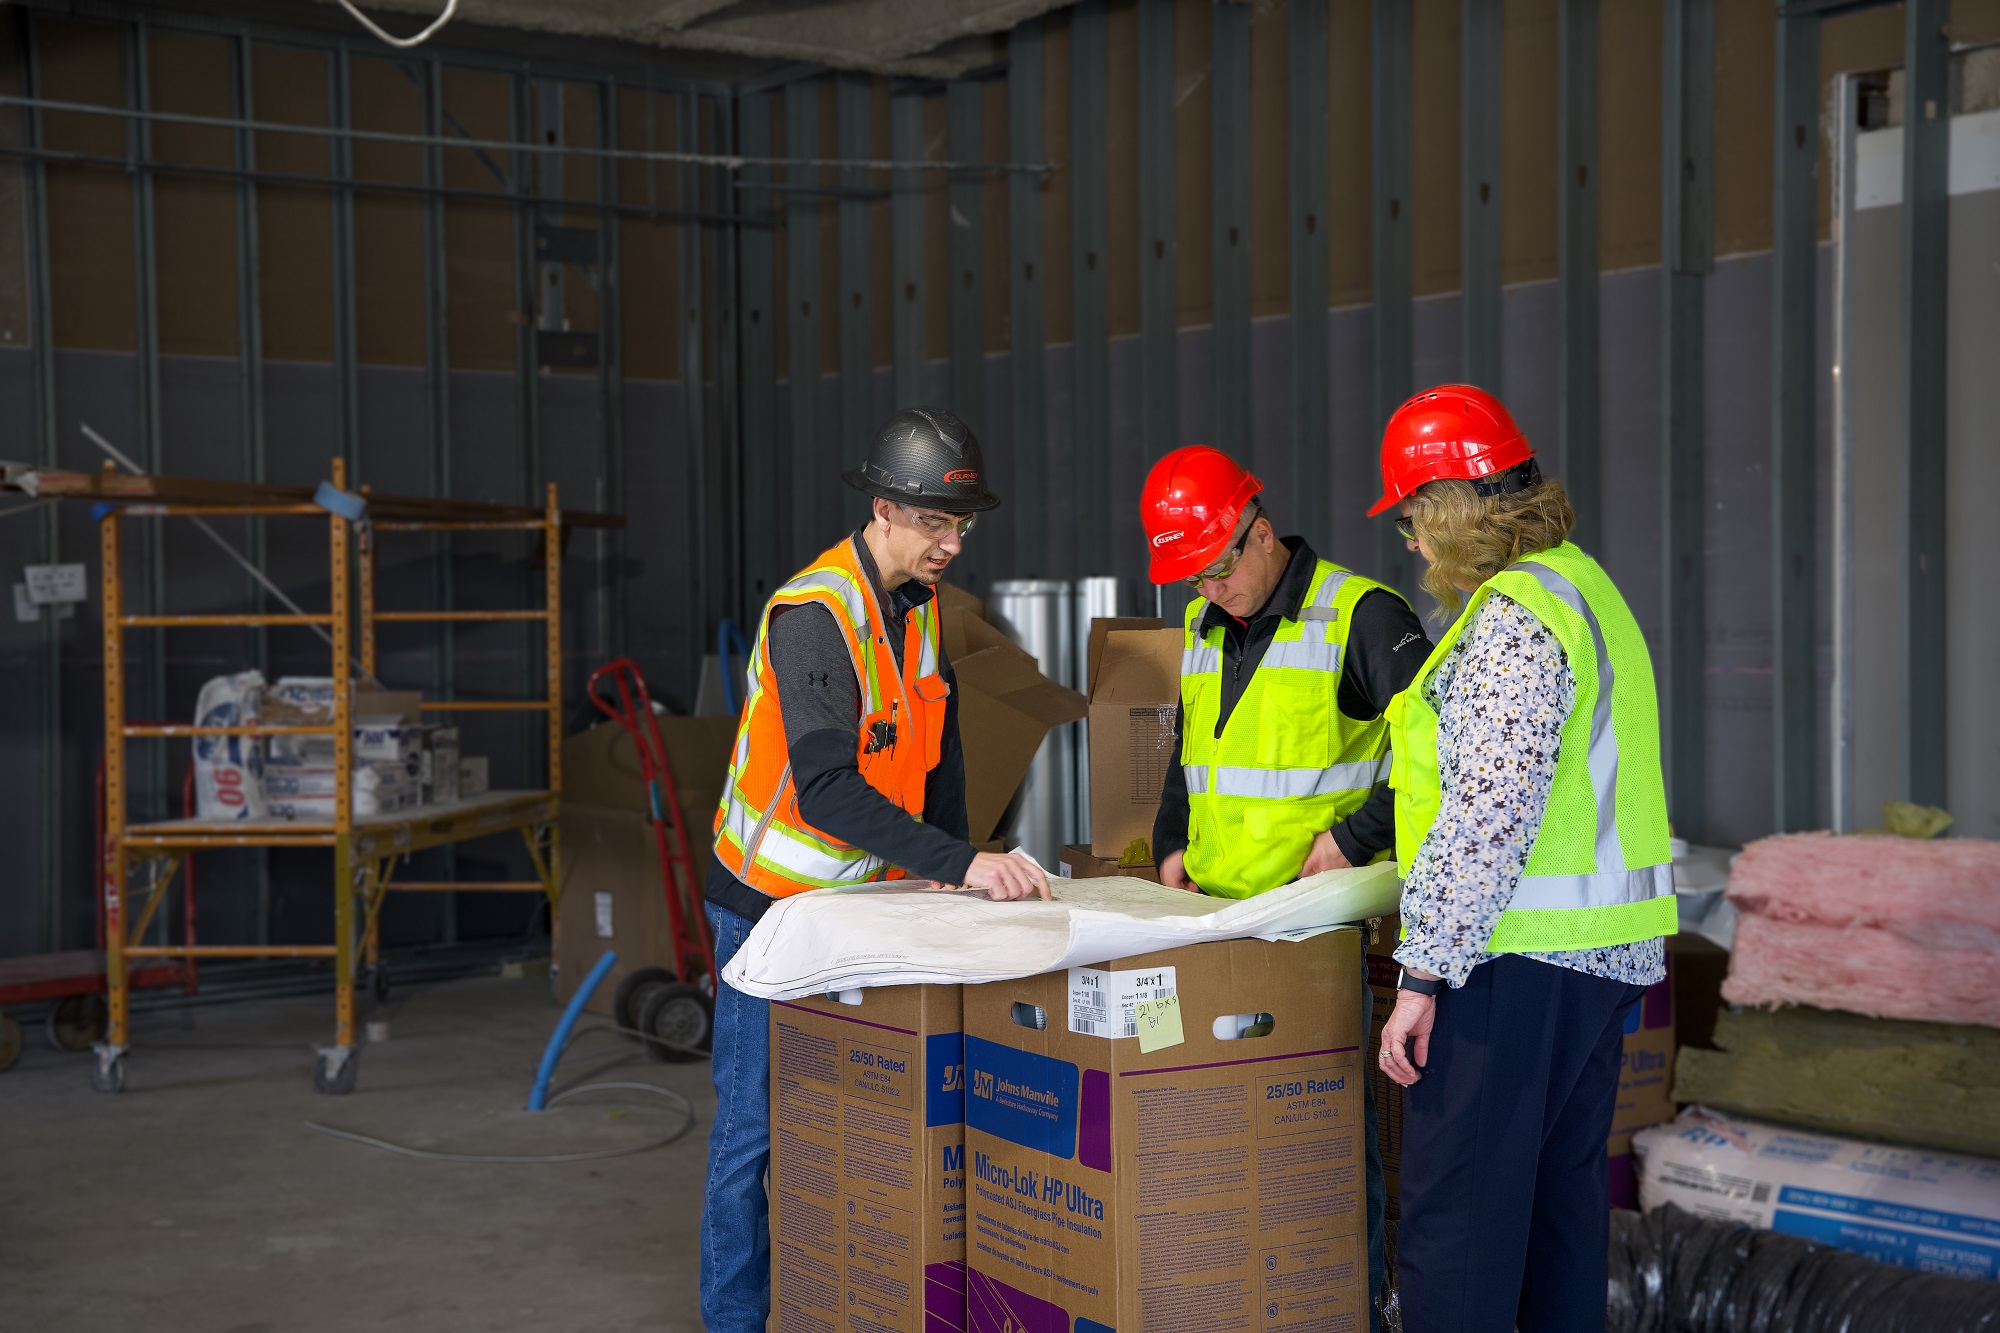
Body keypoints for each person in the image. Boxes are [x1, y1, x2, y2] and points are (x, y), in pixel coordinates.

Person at [700, 406, 1050, 1333]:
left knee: (849, 1117)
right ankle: (736, 1320)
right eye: (936, 521)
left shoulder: (920, 606)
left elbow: (937, 749)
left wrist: (948, 854)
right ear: (885, 510)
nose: (950, 542)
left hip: (859, 905)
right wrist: (962, 862)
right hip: (765, 906)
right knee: (752, 1132)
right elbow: (823, 789)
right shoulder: (816, 616)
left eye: (961, 524)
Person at [1370, 385, 1675, 1333]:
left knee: (1456, 1226)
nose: (1410, 543)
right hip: (1603, 959)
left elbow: (1489, 809)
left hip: (1519, 963)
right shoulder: (1587, 585)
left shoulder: (1512, 617)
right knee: (1558, 1218)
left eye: (1414, 517)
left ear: (1456, 510)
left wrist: (1424, 970)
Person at [1140, 445, 1433, 1333]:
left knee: (1327, 1148)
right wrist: (1168, 843)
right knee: (1213, 1143)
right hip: (1212, 923)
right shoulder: (1202, 624)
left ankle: (1350, 1313)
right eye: (1193, 577)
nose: (1210, 590)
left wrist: (1353, 838)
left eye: (1220, 569)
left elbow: (1437, 755)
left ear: (1259, 534)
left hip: (1311, 937)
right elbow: (1193, 753)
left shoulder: (1361, 617)